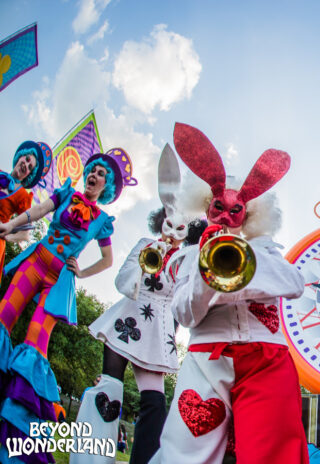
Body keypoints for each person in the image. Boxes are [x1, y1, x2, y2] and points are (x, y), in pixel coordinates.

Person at [151, 123, 308, 464]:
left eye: (235, 210)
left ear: (249, 215)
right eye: (217, 208)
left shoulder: (265, 251)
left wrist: (241, 266)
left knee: (274, 452)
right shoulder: (190, 256)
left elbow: (294, 284)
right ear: (204, 210)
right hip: (206, 359)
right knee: (185, 453)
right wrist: (209, 271)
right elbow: (185, 315)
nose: (225, 216)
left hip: (269, 359)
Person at [0, 148, 136, 464]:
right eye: (95, 168)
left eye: (103, 173)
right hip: (35, 262)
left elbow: (108, 260)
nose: (96, 174)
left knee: (36, 344)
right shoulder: (65, 193)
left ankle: (16, 440)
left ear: (108, 186)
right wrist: (10, 227)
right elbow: (36, 212)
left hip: (58, 280)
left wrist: (81, 272)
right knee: (3, 317)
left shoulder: (102, 221)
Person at [71, 146, 205, 464]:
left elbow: (185, 304)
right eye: (168, 225)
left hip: (159, 332)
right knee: (109, 389)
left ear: (188, 232)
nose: (172, 232)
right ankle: (89, 458)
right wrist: (145, 265)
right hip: (128, 320)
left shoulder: (187, 259)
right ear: (160, 222)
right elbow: (121, 281)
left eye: (179, 228)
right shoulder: (145, 245)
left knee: (154, 404)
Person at [0, 141, 53, 272]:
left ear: (29, 175)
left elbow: (25, 234)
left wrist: (6, 236)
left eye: (30, 167)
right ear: (21, 156)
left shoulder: (23, 196)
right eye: (27, 159)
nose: (26, 165)